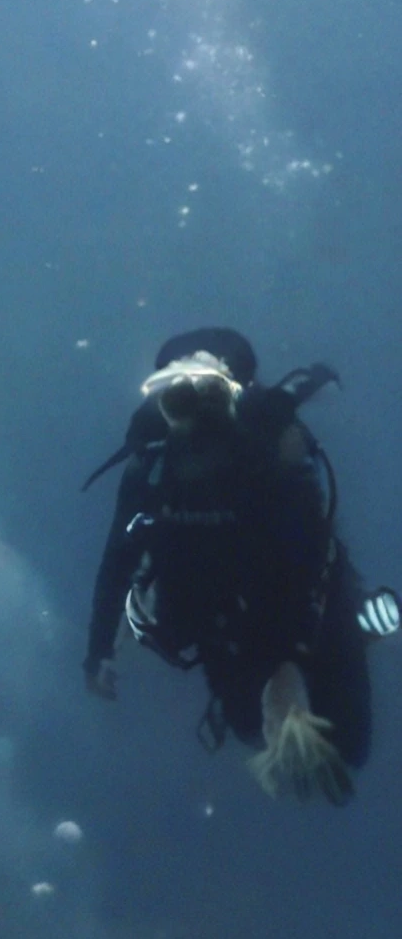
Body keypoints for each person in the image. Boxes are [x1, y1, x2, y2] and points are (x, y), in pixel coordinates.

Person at [82, 328, 397, 806]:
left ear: (238, 396)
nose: (197, 411)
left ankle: (356, 629)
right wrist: (99, 648)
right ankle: (337, 643)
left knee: (351, 746)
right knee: (254, 729)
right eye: (178, 396)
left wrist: (289, 661)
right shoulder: (154, 465)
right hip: (222, 621)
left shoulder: (271, 440)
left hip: (308, 604)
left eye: (209, 391)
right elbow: (118, 559)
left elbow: (308, 553)